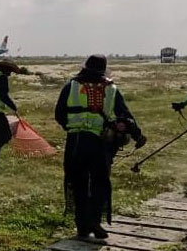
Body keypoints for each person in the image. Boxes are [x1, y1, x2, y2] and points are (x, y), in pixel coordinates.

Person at [55, 54, 145, 241]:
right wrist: (137, 135)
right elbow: (125, 115)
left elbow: (59, 114)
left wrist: (71, 126)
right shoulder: (111, 89)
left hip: (76, 142)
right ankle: (95, 220)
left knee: (78, 183)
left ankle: (82, 225)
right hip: (100, 143)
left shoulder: (70, 86)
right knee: (100, 183)